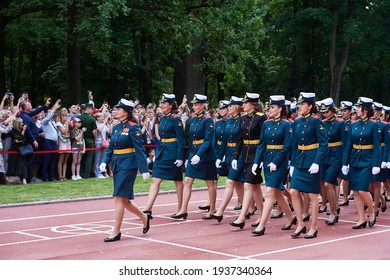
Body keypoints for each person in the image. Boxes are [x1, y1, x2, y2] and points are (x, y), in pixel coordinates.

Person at [99, 99, 151, 242]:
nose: (115, 111)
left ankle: (116, 231)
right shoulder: (116, 128)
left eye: (119, 109)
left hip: (128, 165)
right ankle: (144, 217)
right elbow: (111, 147)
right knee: (124, 200)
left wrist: (144, 169)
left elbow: (140, 148)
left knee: (118, 198)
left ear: (126, 112)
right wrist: (104, 162)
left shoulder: (133, 127)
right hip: (117, 164)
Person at [250, 95, 295, 236]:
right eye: (270, 107)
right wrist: (257, 161)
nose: (270, 109)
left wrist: (276, 162)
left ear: (280, 109)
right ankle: (291, 217)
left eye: (273, 107)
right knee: (277, 192)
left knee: (270, 192)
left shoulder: (287, 125)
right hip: (267, 160)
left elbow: (287, 146)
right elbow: (261, 144)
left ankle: (262, 225)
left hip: (279, 162)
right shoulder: (266, 124)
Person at [171, 94, 217, 220]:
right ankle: (183, 209)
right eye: (194, 104)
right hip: (193, 151)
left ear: (203, 105)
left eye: (197, 104)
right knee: (188, 180)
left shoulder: (208, 120)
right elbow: (191, 139)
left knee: (209, 182)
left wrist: (199, 155)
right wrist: (188, 156)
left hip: (205, 154)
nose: (194, 107)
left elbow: (208, 140)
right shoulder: (193, 120)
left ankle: (212, 209)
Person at [289, 92, 328, 239]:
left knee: (312, 195)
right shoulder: (297, 122)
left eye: (303, 104)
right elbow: (295, 144)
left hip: (312, 160)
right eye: (299, 104)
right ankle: (300, 223)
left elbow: (323, 144)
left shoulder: (316, 121)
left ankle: (314, 226)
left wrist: (317, 162)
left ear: (310, 106)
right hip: (300, 160)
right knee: (293, 191)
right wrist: (292, 163)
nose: (299, 107)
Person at [142, 94, 185, 217]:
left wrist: (180, 156)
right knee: (155, 179)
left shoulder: (175, 119)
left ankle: (181, 208)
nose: (161, 105)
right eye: (161, 103)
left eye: (164, 103)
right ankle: (148, 208)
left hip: (172, 152)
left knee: (177, 180)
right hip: (162, 151)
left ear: (170, 105)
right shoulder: (163, 119)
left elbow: (181, 139)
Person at [230, 92, 267, 229]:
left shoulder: (261, 118)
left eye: (245, 103)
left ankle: (242, 217)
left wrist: (261, 158)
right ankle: (261, 215)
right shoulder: (243, 118)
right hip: (245, 154)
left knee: (248, 184)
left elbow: (264, 140)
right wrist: (235, 156)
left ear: (252, 104)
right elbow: (240, 139)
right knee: (256, 186)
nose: (243, 105)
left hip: (256, 154)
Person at [342, 97, 380, 229]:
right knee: (356, 191)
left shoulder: (374, 125)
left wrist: (376, 164)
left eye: (359, 107)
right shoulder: (353, 125)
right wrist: (344, 163)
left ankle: (371, 212)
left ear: (366, 109)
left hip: (367, 161)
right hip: (354, 161)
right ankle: (361, 218)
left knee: (363, 189)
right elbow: (348, 145)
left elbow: (377, 146)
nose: (356, 110)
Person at [211, 96, 245, 223]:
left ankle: (220, 211)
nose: (228, 108)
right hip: (229, 154)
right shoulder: (228, 122)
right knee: (238, 183)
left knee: (231, 182)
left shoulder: (242, 121)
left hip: (240, 154)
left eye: (231, 106)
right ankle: (247, 209)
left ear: (237, 107)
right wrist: (219, 158)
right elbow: (224, 141)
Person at [318, 98, 347, 226]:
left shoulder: (340, 123)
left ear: (333, 110)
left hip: (336, 156)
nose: (325, 114)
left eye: (327, 111)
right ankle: (334, 208)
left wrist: (345, 161)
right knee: (327, 183)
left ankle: (333, 212)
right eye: (324, 112)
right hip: (325, 156)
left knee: (328, 184)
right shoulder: (322, 123)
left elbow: (346, 143)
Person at [40, 99, 61, 182]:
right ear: (46, 114)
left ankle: (51, 177)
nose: (51, 113)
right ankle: (45, 177)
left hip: (54, 142)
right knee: (46, 161)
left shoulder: (53, 122)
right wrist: (54, 108)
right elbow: (49, 117)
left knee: (53, 161)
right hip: (48, 142)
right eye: (49, 112)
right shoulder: (45, 121)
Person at [338, 101, 353, 206]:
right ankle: (343, 197)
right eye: (342, 110)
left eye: (345, 110)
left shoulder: (352, 124)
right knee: (339, 177)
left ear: (350, 111)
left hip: (351, 152)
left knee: (346, 177)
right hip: (340, 151)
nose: (343, 113)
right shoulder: (339, 123)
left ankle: (345, 197)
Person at [78, 103, 97, 178]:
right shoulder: (92, 119)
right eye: (91, 109)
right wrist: (94, 141)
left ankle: (79, 173)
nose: (92, 111)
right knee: (88, 159)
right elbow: (94, 132)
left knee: (80, 158)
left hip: (80, 140)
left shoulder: (78, 117)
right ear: (88, 109)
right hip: (90, 140)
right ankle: (86, 175)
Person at [94, 112, 110, 178]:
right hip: (98, 142)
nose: (102, 118)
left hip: (104, 143)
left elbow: (109, 132)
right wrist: (105, 122)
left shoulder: (104, 124)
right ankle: (97, 173)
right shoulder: (96, 124)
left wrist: (110, 123)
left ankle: (101, 172)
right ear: (97, 118)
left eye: (103, 116)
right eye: (101, 116)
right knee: (97, 159)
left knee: (102, 159)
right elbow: (99, 130)